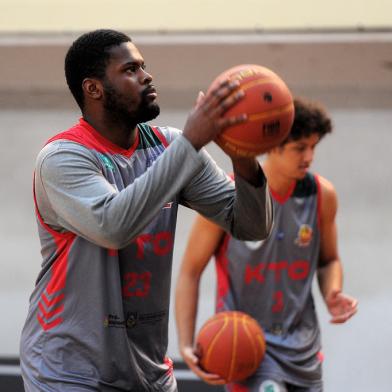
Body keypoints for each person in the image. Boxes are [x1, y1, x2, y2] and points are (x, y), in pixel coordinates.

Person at [19, 29, 274, 392]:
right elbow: (114, 225)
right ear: (93, 88)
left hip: (148, 372)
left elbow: (250, 225)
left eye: (144, 66)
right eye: (130, 69)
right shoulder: (63, 158)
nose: (146, 75)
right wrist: (191, 142)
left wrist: (243, 160)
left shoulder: (168, 146)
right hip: (68, 372)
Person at [175, 97, 358, 392]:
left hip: (303, 347)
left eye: (314, 147)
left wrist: (333, 292)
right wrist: (185, 342)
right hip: (248, 345)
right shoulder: (228, 193)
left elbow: (328, 261)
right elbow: (190, 272)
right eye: (300, 148)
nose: (309, 156)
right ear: (272, 144)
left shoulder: (322, 195)